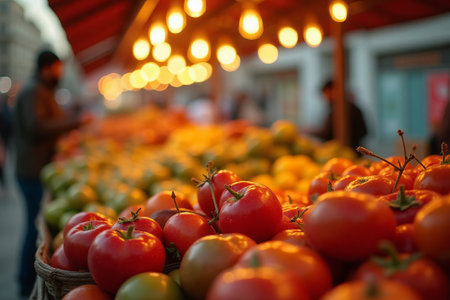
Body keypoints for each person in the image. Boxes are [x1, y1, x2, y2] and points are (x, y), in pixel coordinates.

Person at [13, 50, 91, 296]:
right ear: (47, 68)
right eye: (58, 68)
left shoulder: (41, 91)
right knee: (34, 227)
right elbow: (37, 127)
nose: (61, 73)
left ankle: (25, 280)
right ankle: (25, 282)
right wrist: (75, 121)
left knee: (35, 226)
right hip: (33, 171)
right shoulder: (33, 92)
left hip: (41, 168)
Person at [313, 80, 367, 150]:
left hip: (350, 150)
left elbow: (327, 133)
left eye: (326, 93)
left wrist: (311, 131)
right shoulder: (345, 107)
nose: (325, 98)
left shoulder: (341, 110)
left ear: (333, 91)